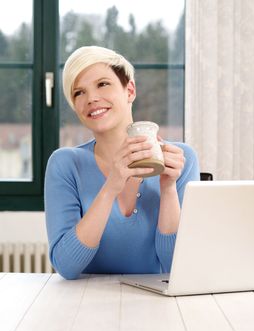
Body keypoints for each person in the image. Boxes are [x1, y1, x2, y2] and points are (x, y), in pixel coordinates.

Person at [44, 46, 200, 280]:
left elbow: (177, 266)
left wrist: (168, 188)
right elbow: (66, 267)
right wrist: (111, 186)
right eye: (79, 93)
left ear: (130, 90)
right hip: (83, 305)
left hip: (157, 305)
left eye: (103, 84)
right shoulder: (65, 164)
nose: (92, 99)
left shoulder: (180, 160)